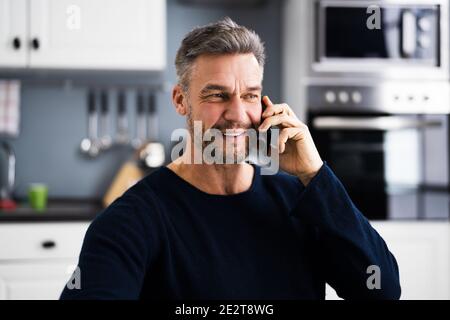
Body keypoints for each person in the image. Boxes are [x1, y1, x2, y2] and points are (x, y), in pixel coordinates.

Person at [60, 17, 401, 300]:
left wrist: (315, 174)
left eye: (250, 95)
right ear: (181, 100)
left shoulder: (303, 200)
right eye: (217, 95)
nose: (237, 114)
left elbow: (382, 291)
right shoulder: (132, 220)